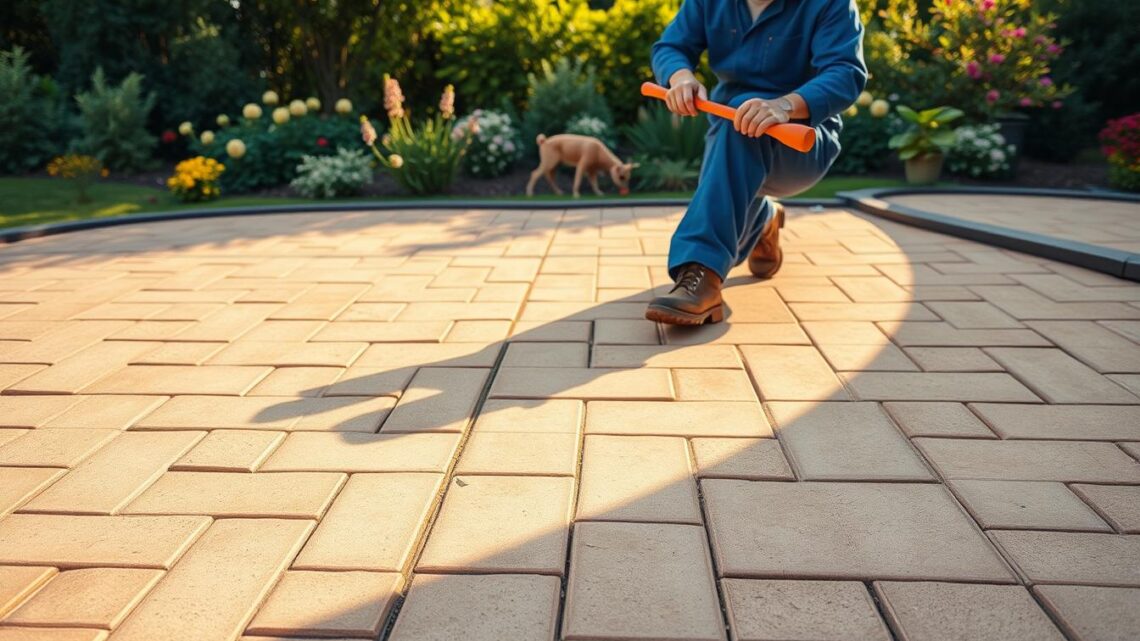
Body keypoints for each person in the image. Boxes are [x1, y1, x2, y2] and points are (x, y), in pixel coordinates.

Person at [644, 0, 867, 325]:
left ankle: (702, 273)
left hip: (801, 139)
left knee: (740, 114)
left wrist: (784, 105)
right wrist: (680, 78)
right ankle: (764, 219)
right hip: (730, 131)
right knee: (737, 118)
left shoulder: (832, 4)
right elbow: (671, 46)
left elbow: (846, 73)